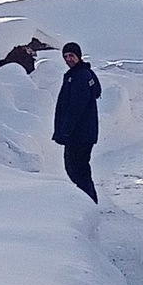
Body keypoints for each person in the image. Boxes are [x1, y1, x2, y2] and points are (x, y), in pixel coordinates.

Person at [52, 42, 102, 201]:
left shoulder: (79, 77)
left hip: (79, 134)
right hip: (83, 134)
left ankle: (88, 201)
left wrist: (65, 131)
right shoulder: (84, 74)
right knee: (80, 168)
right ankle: (89, 200)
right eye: (65, 56)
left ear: (78, 56)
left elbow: (75, 108)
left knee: (75, 169)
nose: (68, 59)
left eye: (71, 56)